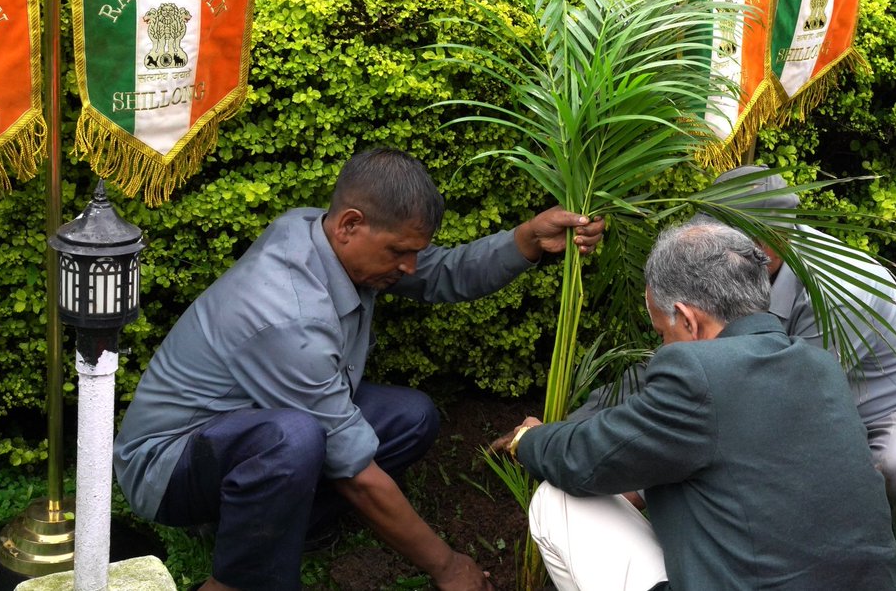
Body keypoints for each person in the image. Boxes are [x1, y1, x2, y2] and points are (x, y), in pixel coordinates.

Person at [112, 147, 605, 591]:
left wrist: (527, 238)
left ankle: (264, 522)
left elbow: (443, 272)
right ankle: (237, 580)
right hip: (170, 463)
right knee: (294, 439)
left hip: (248, 425)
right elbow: (356, 472)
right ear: (350, 224)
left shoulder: (321, 234)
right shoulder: (288, 314)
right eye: (399, 252)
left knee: (411, 417)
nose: (409, 266)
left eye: (414, 251)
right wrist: (448, 566)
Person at [492, 222, 896, 591]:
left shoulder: (697, 372)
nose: (661, 347)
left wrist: (529, 438)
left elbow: (583, 459)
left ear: (688, 320)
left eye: (662, 332)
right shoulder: (820, 365)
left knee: (557, 501)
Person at [714, 164, 896, 562]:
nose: (708, 250)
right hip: (826, 398)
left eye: (723, 239)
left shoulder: (838, 291)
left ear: (770, 244)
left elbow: (794, 402)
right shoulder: (742, 263)